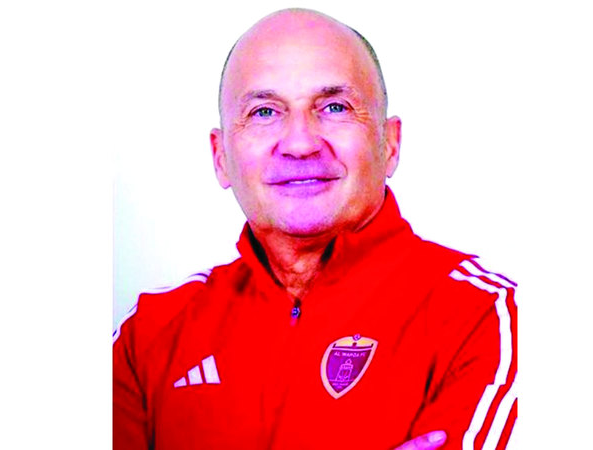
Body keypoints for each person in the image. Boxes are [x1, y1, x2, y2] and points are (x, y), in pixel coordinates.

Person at [113, 8, 517, 450]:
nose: (300, 143)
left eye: (335, 107)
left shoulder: (488, 319)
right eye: (264, 112)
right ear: (220, 156)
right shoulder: (145, 335)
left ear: (390, 144)